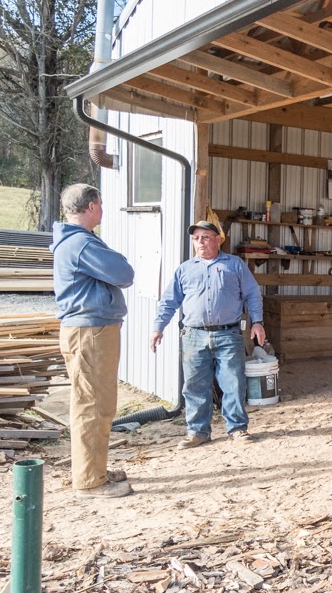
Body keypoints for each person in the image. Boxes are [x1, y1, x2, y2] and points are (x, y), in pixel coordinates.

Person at [51, 183, 135, 499]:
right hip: (91, 332)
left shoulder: (76, 242)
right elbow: (124, 273)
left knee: (97, 403)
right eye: (100, 204)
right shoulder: (82, 245)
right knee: (93, 405)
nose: (102, 210)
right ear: (90, 206)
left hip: (89, 330)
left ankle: (94, 470)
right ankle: (89, 481)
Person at [151, 220, 265, 449]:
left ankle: (237, 429)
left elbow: (252, 294)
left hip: (228, 333)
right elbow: (169, 301)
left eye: (205, 237)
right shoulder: (185, 269)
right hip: (194, 335)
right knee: (194, 386)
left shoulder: (235, 265)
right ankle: (197, 432)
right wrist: (158, 327)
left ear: (217, 239)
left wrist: (257, 322)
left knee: (233, 383)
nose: (200, 242)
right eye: (196, 239)